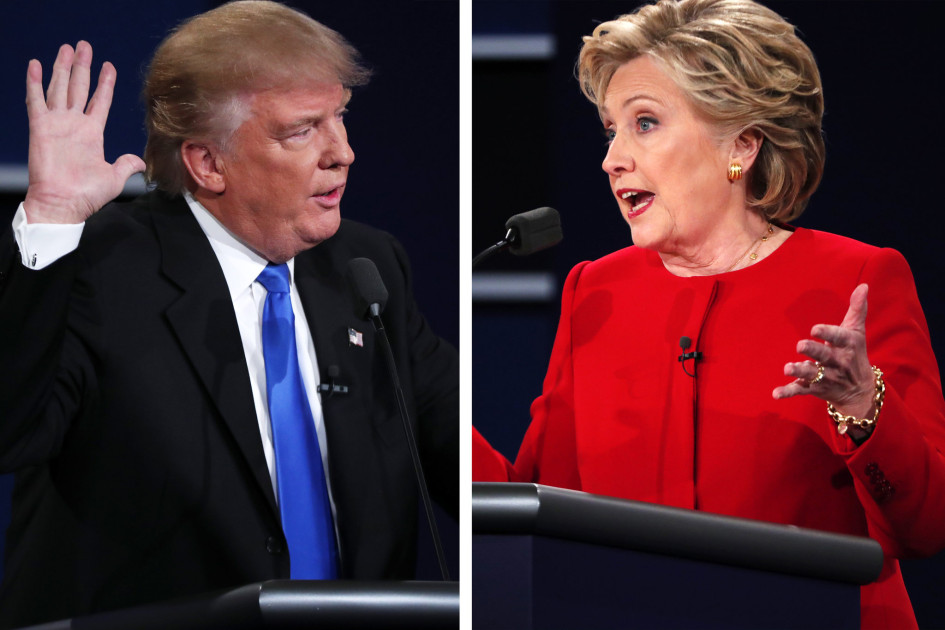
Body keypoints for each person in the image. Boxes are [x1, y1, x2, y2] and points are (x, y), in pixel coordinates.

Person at [472, 0, 945, 628]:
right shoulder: (597, 292)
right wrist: (429, 416)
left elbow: (925, 527)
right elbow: (540, 510)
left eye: (644, 123)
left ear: (742, 145)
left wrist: (863, 407)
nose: (612, 159)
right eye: (611, 130)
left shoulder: (855, 280)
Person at [0, 1, 458, 627]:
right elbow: (11, 432)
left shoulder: (366, 268)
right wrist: (53, 218)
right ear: (208, 163)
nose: (343, 153)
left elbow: (457, 455)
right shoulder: (100, 269)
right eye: (302, 131)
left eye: (340, 118)